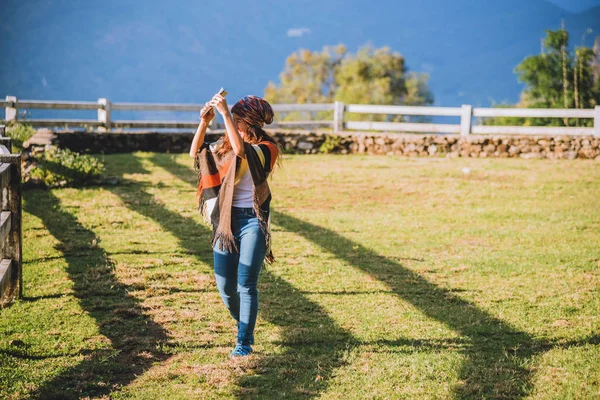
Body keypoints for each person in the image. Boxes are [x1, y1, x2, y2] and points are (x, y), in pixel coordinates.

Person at [189, 92, 280, 358]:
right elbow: (196, 153)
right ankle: (245, 323)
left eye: (237, 119)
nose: (232, 123)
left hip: (254, 221)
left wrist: (225, 112)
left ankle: (244, 341)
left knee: (246, 284)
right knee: (226, 289)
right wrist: (205, 122)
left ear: (248, 122)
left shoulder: (267, 148)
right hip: (226, 221)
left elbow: (243, 152)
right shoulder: (226, 144)